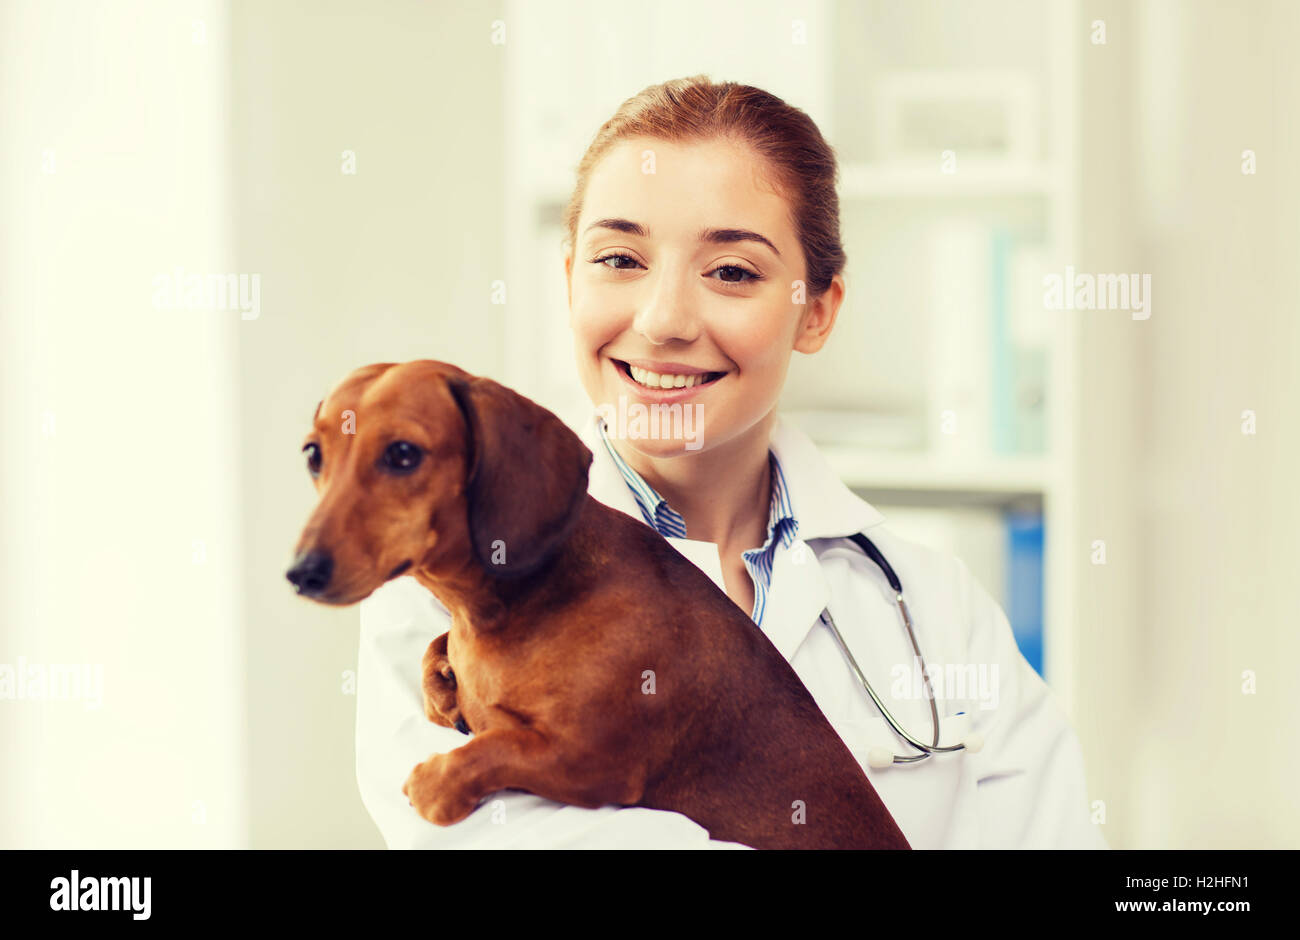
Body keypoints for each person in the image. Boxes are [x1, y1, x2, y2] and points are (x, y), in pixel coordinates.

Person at [356, 75, 1107, 849]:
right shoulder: (445, 582)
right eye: (619, 258)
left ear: (814, 311)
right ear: (570, 280)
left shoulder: (934, 608)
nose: (664, 319)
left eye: (732, 272)